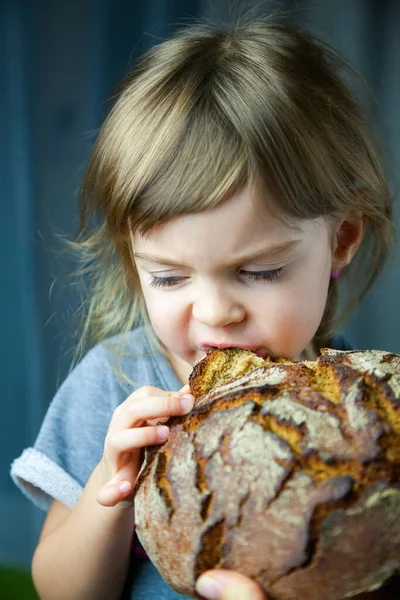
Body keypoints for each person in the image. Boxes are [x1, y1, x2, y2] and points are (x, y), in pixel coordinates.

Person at [10, 15, 397, 600]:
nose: (216, 312)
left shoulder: (360, 408)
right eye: (168, 277)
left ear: (341, 238)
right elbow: (61, 591)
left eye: (259, 271)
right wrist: (108, 488)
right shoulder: (114, 389)